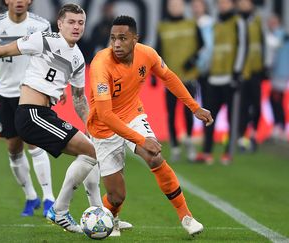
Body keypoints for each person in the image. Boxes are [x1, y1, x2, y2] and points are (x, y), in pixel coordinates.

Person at [0, 3, 131, 234]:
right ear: (60, 24)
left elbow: (78, 99)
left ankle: (95, 210)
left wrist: (92, 126)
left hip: (44, 113)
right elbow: (5, 50)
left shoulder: (78, 58)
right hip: (31, 113)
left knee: (92, 150)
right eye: (71, 22)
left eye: (80, 22)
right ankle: (60, 211)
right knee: (90, 152)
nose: (76, 27)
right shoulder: (44, 39)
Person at [87, 15, 213, 236]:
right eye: (113, 38)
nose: (116, 44)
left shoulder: (147, 54)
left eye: (123, 38)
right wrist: (141, 139)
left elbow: (169, 77)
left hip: (132, 116)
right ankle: (109, 217)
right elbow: (106, 115)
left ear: (135, 39)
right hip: (104, 128)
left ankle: (186, 217)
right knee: (117, 197)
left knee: (154, 157)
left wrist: (194, 107)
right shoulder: (100, 64)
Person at [0, 0, 55, 217]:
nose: (19, 1)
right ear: (6, 1)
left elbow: (53, 58)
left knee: (34, 143)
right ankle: (31, 196)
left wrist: (55, 85)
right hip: (5, 94)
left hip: (32, 92)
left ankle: (49, 199)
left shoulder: (41, 25)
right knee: (13, 148)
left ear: (29, 1)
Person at [195, 0, 247, 164]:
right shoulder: (215, 23)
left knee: (233, 117)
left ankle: (228, 152)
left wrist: (237, 72)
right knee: (208, 117)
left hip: (229, 76)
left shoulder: (238, 22)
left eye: (225, 3)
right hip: (213, 76)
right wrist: (206, 70)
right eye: (220, 3)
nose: (222, 5)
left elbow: (242, 47)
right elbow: (211, 48)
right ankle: (207, 152)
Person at [156, 0, 204, 162]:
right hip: (170, 78)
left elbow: (202, 44)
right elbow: (158, 52)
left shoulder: (191, 24)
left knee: (189, 111)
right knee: (171, 114)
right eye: (172, 5)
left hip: (188, 77)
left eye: (178, 5)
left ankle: (189, 142)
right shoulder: (162, 27)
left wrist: (193, 59)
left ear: (183, 7)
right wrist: (155, 75)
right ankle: (175, 147)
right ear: (168, 8)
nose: (175, 8)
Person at [236, 0, 266, 152]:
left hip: (255, 71)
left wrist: (263, 66)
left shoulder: (257, 21)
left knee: (257, 105)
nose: (244, 5)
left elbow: (262, 43)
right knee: (241, 107)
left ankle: (253, 134)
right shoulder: (236, 22)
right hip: (241, 72)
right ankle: (241, 138)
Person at [266, 14, 289, 143]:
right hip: (279, 73)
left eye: (273, 21)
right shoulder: (282, 36)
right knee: (275, 100)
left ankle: (281, 130)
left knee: (276, 101)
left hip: (281, 73)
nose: (271, 24)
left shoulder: (280, 36)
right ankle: (279, 128)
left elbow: (274, 49)